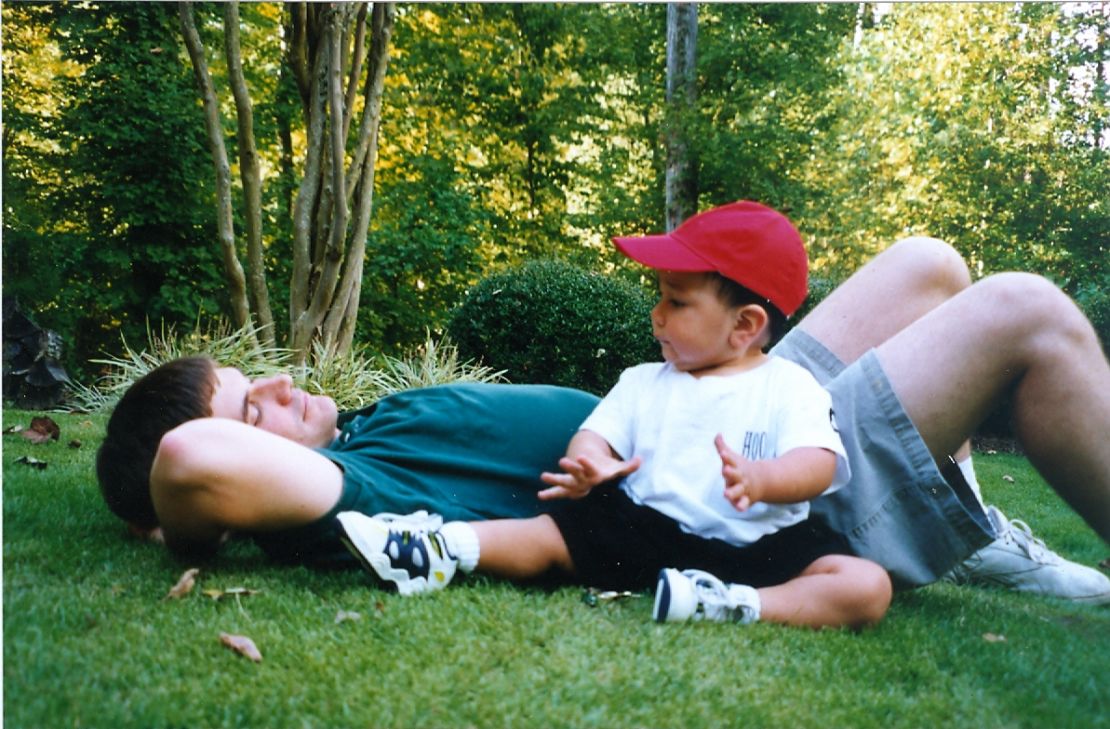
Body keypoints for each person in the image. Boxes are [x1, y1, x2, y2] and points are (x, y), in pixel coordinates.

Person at [96, 206, 1110, 606]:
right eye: (250, 406)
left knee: (932, 265)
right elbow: (189, 461)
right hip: (755, 497)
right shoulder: (347, 489)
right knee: (1026, 311)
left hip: (722, 401)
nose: (277, 385)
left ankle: (962, 530)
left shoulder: (365, 426)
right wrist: (167, 526)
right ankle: (916, 518)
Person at [337, 202, 892, 629]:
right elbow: (593, 435)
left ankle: (732, 606)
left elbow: (818, 463)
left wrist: (763, 478)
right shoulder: (643, 382)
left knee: (866, 584)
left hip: (760, 547)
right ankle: (442, 548)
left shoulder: (788, 385)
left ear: (744, 325)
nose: (656, 316)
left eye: (676, 302)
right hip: (644, 529)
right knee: (555, 533)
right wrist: (591, 465)